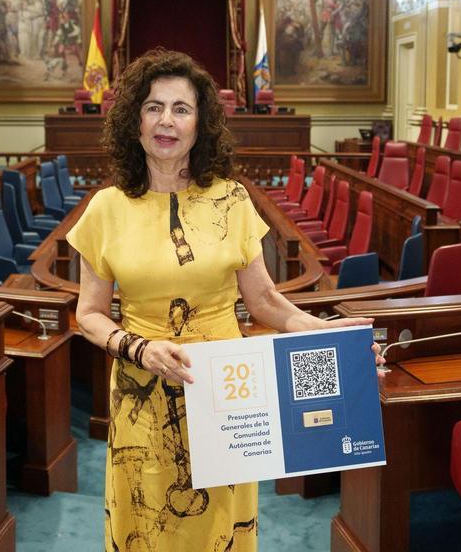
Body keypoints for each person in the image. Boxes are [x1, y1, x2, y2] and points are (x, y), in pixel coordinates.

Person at [67, 49, 381, 551]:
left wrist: (323, 332)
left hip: (227, 395)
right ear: (134, 120)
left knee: (221, 528)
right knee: (146, 522)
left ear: (200, 124)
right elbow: (89, 314)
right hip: (141, 388)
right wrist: (139, 348)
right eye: (153, 107)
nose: (166, 121)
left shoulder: (232, 199)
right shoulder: (105, 208)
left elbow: (265, 301)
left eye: (181, 109)